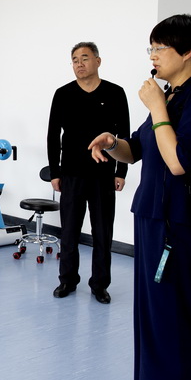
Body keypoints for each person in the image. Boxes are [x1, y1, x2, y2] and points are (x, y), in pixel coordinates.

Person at [89, 15, 191, 380]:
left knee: (170, 317)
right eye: (151, 48)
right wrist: (112, 143)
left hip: (178, 223)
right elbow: (137, 150)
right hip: (151, 214)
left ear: (188, 52)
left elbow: (179, 161)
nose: (152, 56)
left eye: (160, 48)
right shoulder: (169, 95)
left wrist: (157, 108)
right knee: (148, 314)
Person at [47, 42, 130, 304]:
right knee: (69, 232)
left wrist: (121, 171)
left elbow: (124, 134)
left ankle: (100, 285)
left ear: (98, 61)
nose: (79, 64)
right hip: (71, 174)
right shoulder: (63, 94)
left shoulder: (115, 93)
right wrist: (55, 172)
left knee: (102, 233)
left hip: (103, 174)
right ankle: (67, 280)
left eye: (84, 58)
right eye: (75, 60)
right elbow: (53, 135)